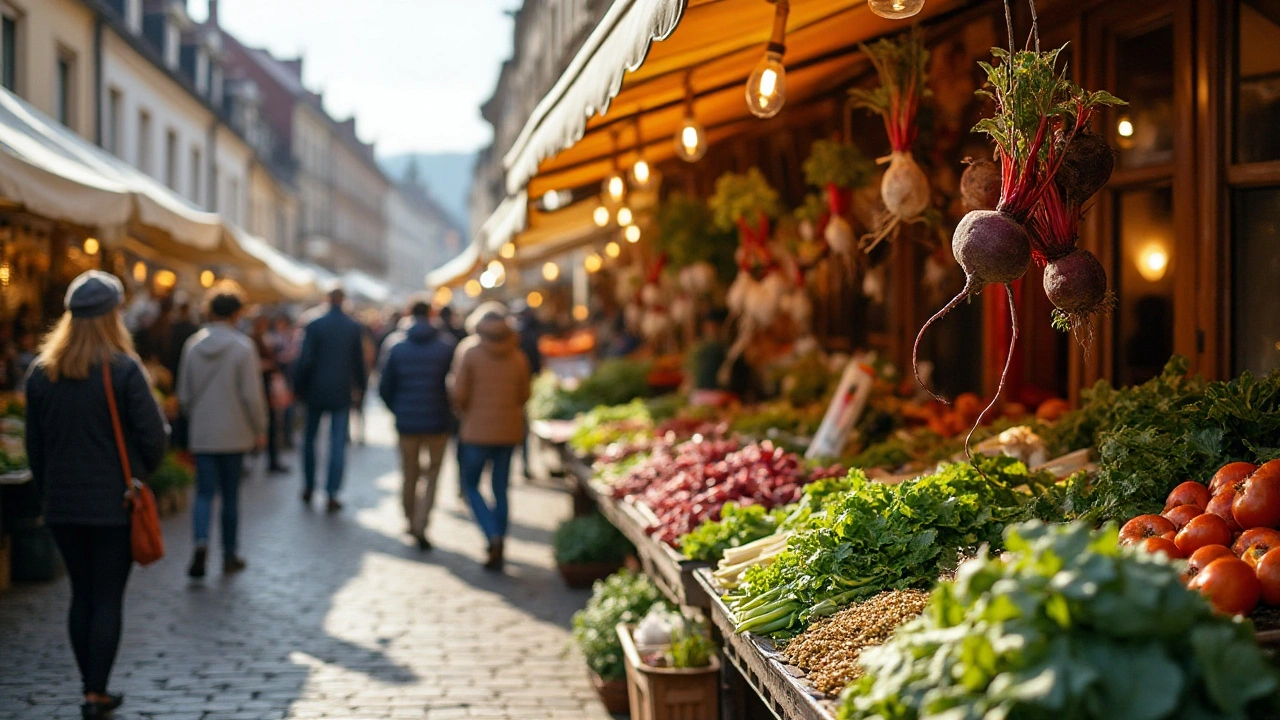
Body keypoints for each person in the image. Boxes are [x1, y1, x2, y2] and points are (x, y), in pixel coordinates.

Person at [24, 270, 168, 720]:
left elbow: (35, 446)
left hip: (63, 506)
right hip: (114, 503)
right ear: (112, 317)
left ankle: (91, 687)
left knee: (80, 595)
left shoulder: (41, 373)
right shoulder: (123, 370)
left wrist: (50, 491)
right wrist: (140, 473)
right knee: (107, 597)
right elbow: (154, 439)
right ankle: (95, 691)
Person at [178, 283, 269, 578]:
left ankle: (201, 542)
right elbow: (252, 397)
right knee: (230, 495)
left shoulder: (193, 345)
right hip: (235, 433)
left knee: (204, 493)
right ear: (236, 313)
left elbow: (184, 396)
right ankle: (229, 554)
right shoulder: (243, 347)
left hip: (203, 432)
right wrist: (260, 428)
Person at [450, 302, 531, 571]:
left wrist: (465, 411)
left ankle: (491, 533)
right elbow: (525, 395)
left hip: (476, 431)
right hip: (508, 431)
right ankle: (500, 537)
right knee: (501, 488)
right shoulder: (517, 354)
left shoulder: (469, 351)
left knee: (470, 484)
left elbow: (459, 392)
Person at [378, 300, 455, 550]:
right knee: (432, 474)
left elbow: (384, 387)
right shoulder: (446, 346)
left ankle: (410, 520)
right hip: (437, 422)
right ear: (431, 314)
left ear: (409, 313)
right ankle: (422, 522)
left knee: (408, 473)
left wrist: (398, 410)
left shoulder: (395, 345)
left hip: (407, 423)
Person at [293, 287, 367, 512]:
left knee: (310, 441)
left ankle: (308, 485)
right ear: (343, 300)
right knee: (336, 444)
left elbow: (304, 360)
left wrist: (299, 389)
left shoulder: (314, 324)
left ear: (327, 299)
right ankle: (332, 492)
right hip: (340, 392)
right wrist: (361, 388)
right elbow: (358, 363)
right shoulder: (352, 326)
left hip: (315, 391)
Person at [250, 313, 288, 473]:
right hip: (259, 389)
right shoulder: (251, 340)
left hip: (266, 387)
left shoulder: (262, 339)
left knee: (272, 424)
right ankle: (266, 457)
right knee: (267, 423)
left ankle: (272, 459)